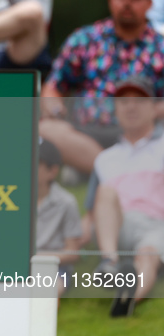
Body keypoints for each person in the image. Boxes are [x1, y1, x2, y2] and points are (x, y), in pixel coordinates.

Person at [40, 0, 164, 174]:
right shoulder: (85, 39)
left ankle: (97, 171)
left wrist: (152, 110)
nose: (127, 4)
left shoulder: (160, 47)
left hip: (143, 135)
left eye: (135, 0)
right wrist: (55, 110)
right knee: (45, 128)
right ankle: (119, 172)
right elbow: (53, 86)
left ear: (150, 4)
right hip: (85, 134)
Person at [84, 76, 164, 316]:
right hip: (115, 226)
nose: (131, 107)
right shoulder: (105, 158)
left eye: (139, 100)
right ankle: (110, 265)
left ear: (154, 107)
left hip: (155, 225)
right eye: (124, 101)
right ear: (116, 110)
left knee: (147, 255)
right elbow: (92, 212)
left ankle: (129, 296)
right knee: (106, 191)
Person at [36, 139, 82, 297]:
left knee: (51, 290)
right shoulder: (9, 198)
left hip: (54, 268)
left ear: (52, 171)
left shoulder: (66, 202)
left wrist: (35, 258)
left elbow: (73, 252)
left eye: (36, 163)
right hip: (16, 266)